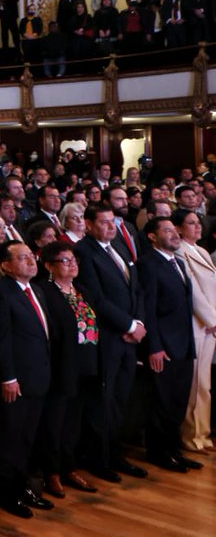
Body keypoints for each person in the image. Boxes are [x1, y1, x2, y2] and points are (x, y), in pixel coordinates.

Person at [73, 203, 148, 482]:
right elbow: (95, 297)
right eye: (103, 222)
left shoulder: (118, 246)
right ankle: (98, 458)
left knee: (120, 400)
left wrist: (138, 324)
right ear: (89, 224)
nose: (109, 227)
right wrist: (128, 325)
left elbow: (136, 288)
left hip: (129, 338)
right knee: (102, 402)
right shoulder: (84, 251)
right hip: (107, 338)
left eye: (112, 222)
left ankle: (116, 454)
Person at [0, 241, 55, 519]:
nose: (30, 261)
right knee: (9, 437)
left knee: (27, 436)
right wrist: (8, 377)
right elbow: (0, 340)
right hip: (16, 380)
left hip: (39, 375)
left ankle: (22, 485)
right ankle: (5, 492)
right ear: (6, 265)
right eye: (22, 258)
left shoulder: (35, 289)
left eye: (31, 256)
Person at [136, 216, 199, 473]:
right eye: (167, 230)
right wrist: (154, 346)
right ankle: (159, 452)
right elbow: (148, 309)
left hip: (183, 343)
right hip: (163, 346)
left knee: (177, 402)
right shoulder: (148, 264)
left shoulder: (178, 262)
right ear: (152, 236)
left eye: (174, 230)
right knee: (161, 402)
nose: (174, 234)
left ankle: (174, 450)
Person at [37, 242, 100, 497]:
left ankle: (69, 466)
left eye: (74, 259)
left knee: (75, 421)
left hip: (87, 364)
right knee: (55, 421)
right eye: (65, 260)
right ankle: (51, 472)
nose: (72, 264)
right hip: (62, 367)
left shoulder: (82, 290)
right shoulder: (45, 292)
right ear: (49, 266)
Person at [173, 209, 216, 452]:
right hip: (197, 324)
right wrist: (211, 319)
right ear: (178, 228)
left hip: (209, 324)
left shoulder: (200, 250)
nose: (197, 226)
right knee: (196, 383)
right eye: (191, 223)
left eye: (198, 222)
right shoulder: (180, 250)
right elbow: (193, 291)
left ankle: (203, 434)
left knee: (204, 383)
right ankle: (191, 436)